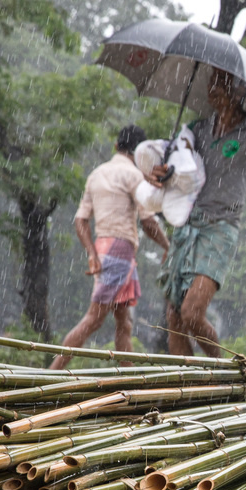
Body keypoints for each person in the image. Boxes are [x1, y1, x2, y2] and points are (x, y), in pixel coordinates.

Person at [151, 67, 246, 356]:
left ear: (239, 91)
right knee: (174, 319)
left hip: (220, 228)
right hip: (187, 226)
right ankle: (186, 388)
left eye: (222, 84)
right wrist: (163, 172)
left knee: (191, 314)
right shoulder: (198, 129)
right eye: (211, 83)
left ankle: (222, 374)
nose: (214, 89)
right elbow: (179, 168)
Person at [49, 125, 170, 370]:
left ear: (116, 146)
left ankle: (128, 380)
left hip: (106, 249)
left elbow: (81, 220)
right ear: (139, 154)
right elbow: (148, 221)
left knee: (124, 323)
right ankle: (52, 371)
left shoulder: (96, 174)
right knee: (93, 319)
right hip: (119, 251)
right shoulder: (134, 176)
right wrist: (168, 246)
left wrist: (92, 252)